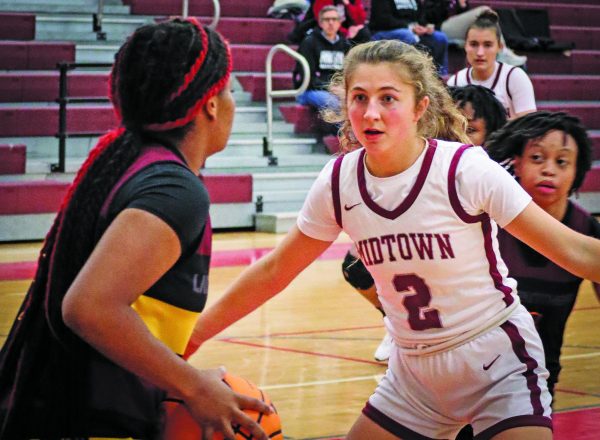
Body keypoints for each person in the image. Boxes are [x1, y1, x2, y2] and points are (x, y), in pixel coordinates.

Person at [186, 39, 600, 439]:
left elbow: (576, 250)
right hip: (413, 376)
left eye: (388, 98)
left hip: (496, 360)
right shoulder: (339, 181)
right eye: (359, 97)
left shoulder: (463, 169)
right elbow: (275, 271)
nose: (371, 113)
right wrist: (196, 335)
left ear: (420, 106)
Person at [0, 18, 273, 440]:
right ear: (212, 105)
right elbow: (89, 307)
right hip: (91, 420)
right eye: (230, 89)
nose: (233, 101)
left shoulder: (129, 161)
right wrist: (192, 384)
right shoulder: (175, 189)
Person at [343, 83, 508, 365]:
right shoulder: (427, 162)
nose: (457, 134)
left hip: (484, 322)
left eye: (470, 130)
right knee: (355, 266)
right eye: (452, 125)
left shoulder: (488, 175)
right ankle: (396, 322)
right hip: (426, 320)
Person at [486, 111, 600, 401]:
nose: (549, 169)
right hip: (478, 376)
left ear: (577, 171)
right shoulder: (488, 223)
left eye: (561, 162)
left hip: (542, 378)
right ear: (518, 163)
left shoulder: (587, 231)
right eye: (537, 158)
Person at [447, 10, 536, 119]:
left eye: (487, 45)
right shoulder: (455, 82)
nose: (480, 53)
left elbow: (530, 127)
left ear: (500, 47)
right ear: (465, 46)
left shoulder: (515, 77)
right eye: (473, 44)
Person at [423, 0, 527, 66]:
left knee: (487, 16)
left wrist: (462, 4)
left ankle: (501, 50)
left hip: (454, 27)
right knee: (484, 10)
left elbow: (463, 16)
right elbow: (428, 14)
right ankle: (502, 52)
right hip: (438, 27)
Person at [369, 0, 449, 75]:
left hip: (411, 30)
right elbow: (383, 20)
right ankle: (410, 73)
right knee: (407, 35)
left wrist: (425, 27)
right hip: (384, 31)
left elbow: (420, 17)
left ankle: (440, 75)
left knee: (440, 37)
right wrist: (410, 27)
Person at [295, 6, 350, 111]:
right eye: (326, 19)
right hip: (309, 91)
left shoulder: (345, 45)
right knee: (336, 104)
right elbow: (307, 78)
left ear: (340, 22)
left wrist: (343, 89)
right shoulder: (309, 43)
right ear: (320, 23)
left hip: (337, 90)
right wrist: (331, 88)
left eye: (334, 19)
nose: (331, 22)